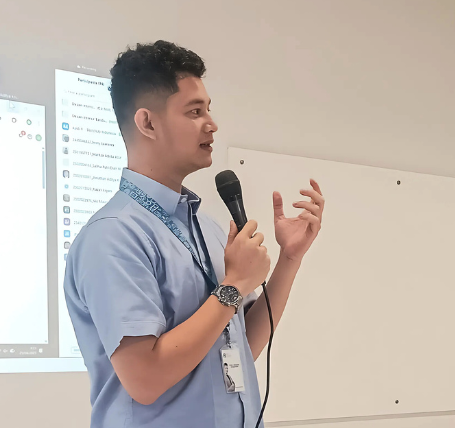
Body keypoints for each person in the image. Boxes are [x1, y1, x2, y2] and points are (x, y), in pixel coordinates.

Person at [63, 40, 325, 428]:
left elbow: (243, 345)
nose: (212, 124)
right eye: (194, 111)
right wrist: (234, 285)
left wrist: (289, 259)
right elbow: (145, 379)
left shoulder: (206, 227)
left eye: (208, 110)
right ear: (148, 123)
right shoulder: (113, 237)